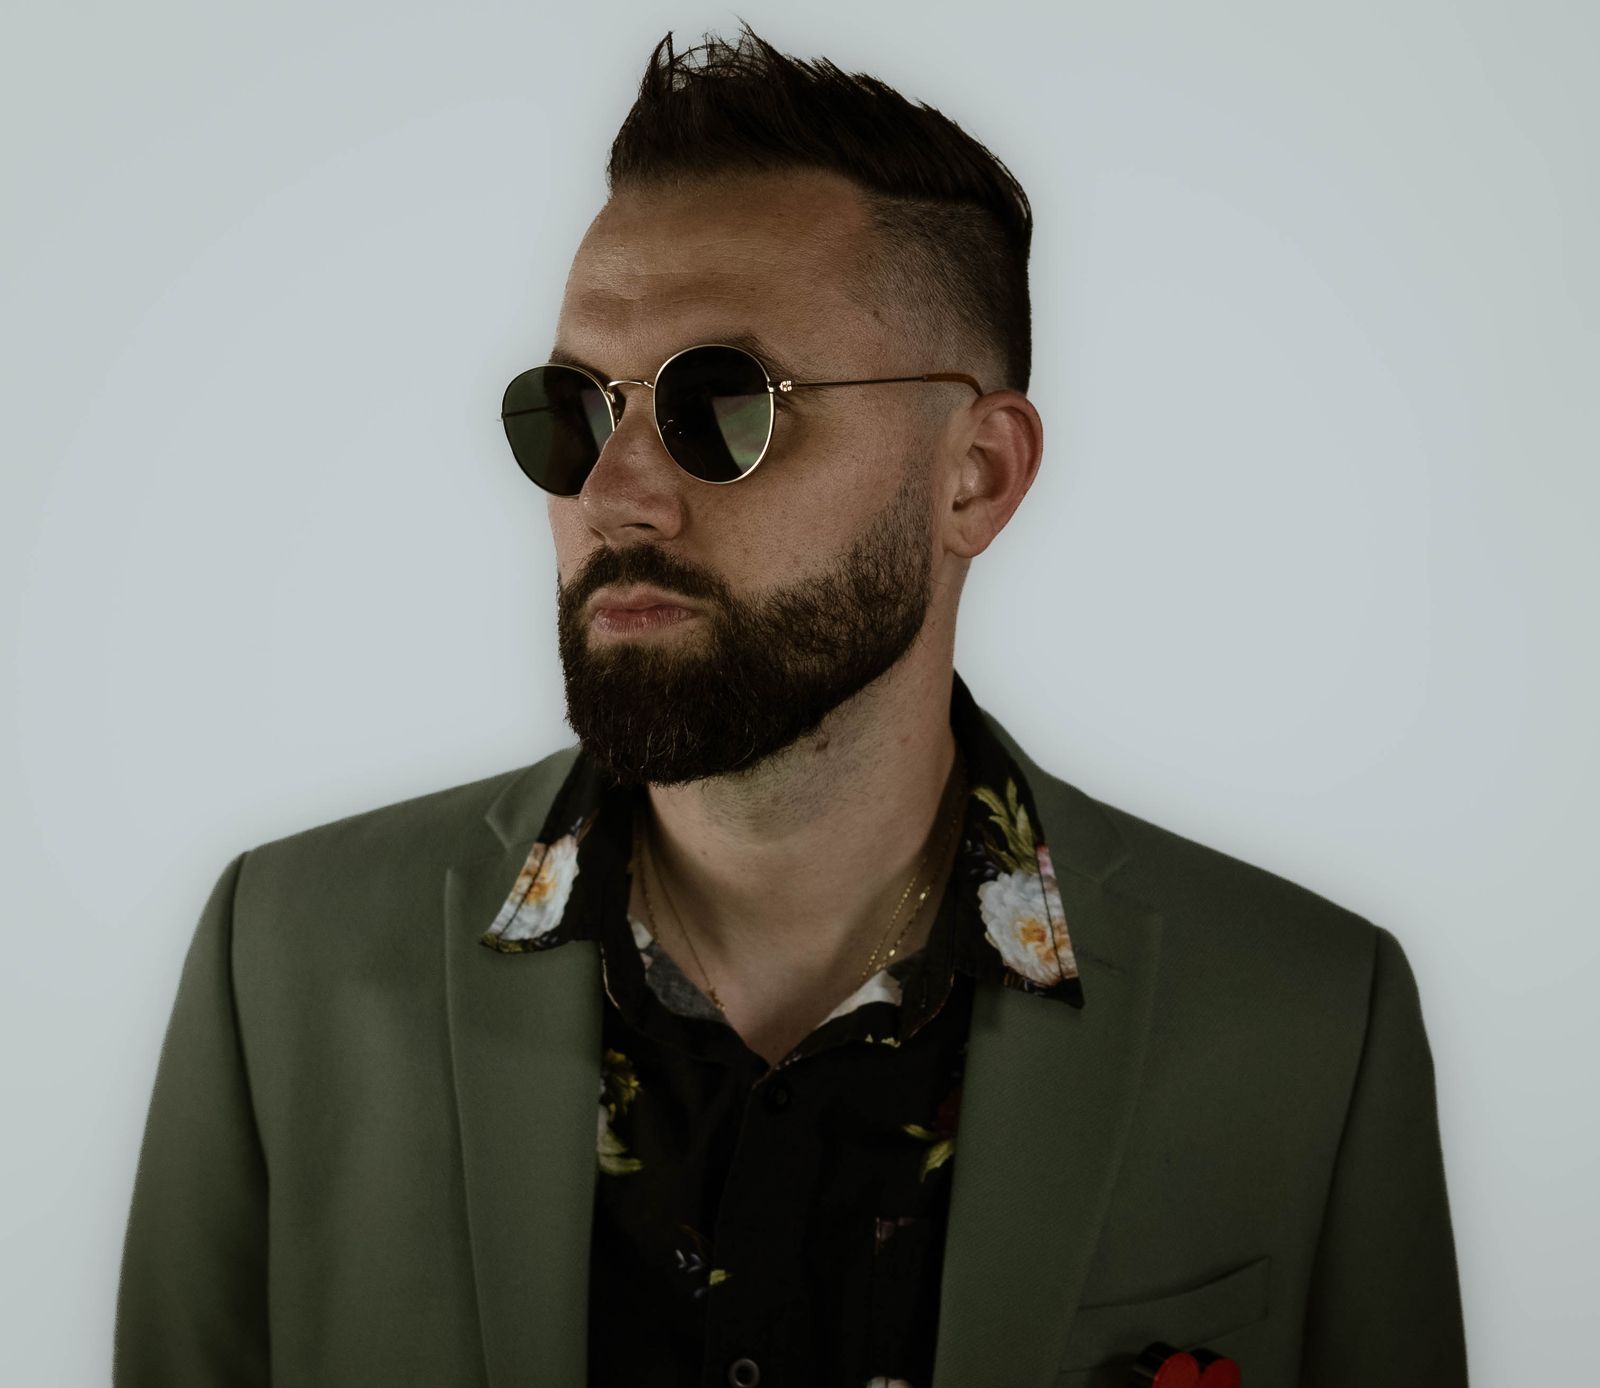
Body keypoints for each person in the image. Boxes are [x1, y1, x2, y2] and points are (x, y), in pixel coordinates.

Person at [113, 23, 1468, 1388]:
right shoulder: (285, 968)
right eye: (574, 409)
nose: (613, 494)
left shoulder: (1301, 1022)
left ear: (976, 476)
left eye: (724, 405)